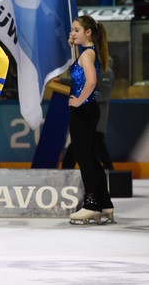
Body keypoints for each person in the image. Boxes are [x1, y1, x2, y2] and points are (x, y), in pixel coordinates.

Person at [67, 15, 114, 225]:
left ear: (88, 32)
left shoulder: (87, 54)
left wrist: (78, 102)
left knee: (85, 159)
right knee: (93, 158)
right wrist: (73, 47)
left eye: (76, 30)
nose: (72, 33)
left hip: (83, 111)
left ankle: (92, 205)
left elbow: (91, 81)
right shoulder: (89, 52)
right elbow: (80, 75)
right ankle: (105, 204)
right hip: (90, 110)